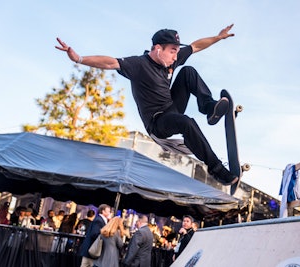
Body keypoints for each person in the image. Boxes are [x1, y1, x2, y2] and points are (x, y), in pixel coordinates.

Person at [55, 25, 240, 186]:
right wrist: (79, 58)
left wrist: (218, 37)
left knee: (188, 72)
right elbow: (110, 62)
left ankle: (209, 109)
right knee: (186, 122)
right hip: (157, 122)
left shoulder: (171, 60)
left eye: (177, 51)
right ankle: (217, 170)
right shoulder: (138, 65)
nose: (175, 57)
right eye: (173, 51)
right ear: (158, 49)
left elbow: (196, 46)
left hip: (171, 108)